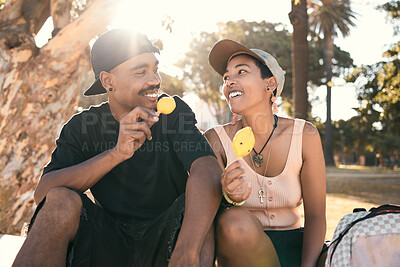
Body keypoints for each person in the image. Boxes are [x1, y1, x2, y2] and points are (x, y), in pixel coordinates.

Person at [12, 29, 222, 267]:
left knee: (198, 203)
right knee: (61, 199)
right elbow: (44, 193)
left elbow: (208, 169)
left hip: (169, 239)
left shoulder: (173, 113)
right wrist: (116, 153)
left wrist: (186, 251)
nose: (154, 79)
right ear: (108, 81)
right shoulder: (82, 126)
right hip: (107, 241)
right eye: (140, 71)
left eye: (155, 68)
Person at [205, 39, 326, 267]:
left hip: (298, 250)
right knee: (233, 220)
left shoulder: (304, 135)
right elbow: (207, 215)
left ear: (269, 84)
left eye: (241, 72)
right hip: (242, 250)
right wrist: (229, 197)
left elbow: (317, 216)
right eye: (226, 77)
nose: (230, 81)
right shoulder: (215, 140)